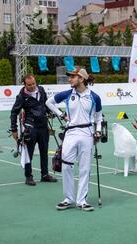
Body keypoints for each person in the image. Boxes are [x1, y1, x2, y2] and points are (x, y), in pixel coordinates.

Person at [46, 68, 102, 212]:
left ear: (81, 79)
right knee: (66, 166)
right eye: (69, 77)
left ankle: (82, 200)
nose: (69, 79)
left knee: (85, 168)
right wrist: (61, 115)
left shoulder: (95, 97)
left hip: (87, 133)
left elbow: (98, 117)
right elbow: (49, 102)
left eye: (72, 77)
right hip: (70, 133)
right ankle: (68, 199)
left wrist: (98, 131)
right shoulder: (66, 94)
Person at [10, 74, 57, 186]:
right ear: (25, 84)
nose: (32, 86)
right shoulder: (21, 96)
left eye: (33, 84)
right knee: (28, 153)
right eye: (29, 84)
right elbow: (14, 112)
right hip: (30, 127)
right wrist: (14, 129)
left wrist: (50, 113)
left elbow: (45, 104)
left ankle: (45, 175)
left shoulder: (41, 90)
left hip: (43, 126)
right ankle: (28, 176)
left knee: (44, 151)